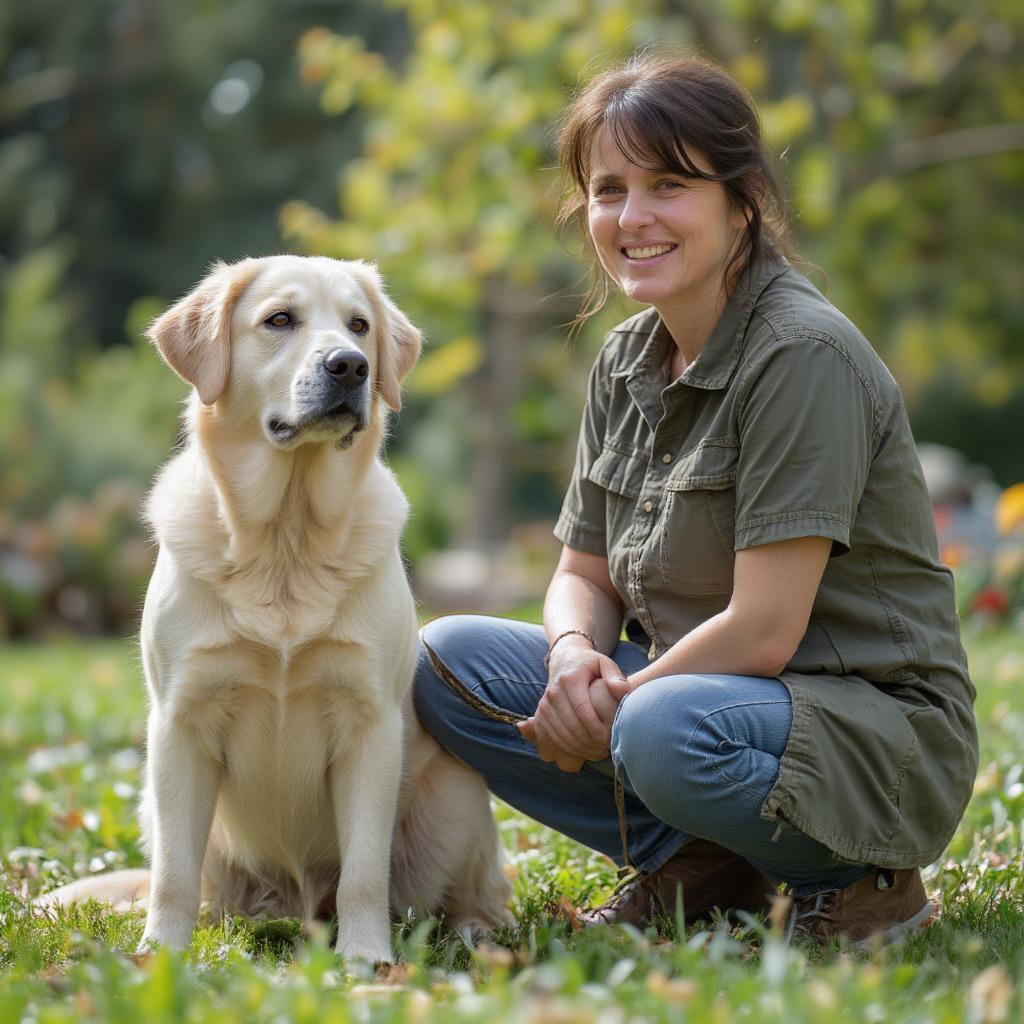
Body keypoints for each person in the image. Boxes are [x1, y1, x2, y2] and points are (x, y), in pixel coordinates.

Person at [413, 52, 978, 947]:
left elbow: (765, 629)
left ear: (741, 196)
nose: (632, 217)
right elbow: (580, 572)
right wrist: (569, 663)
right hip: (701, 710)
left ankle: (868, 883)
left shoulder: (801, 355)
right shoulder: (627, 357)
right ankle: (718, 862)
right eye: (607, 190)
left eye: (668, 184)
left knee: (663, 727)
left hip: (874, 739)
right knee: (445, 660)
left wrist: (613, 704)